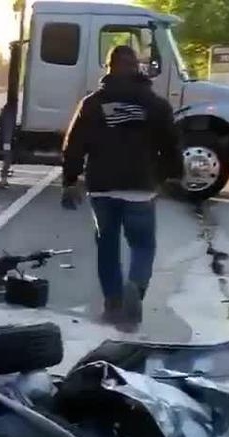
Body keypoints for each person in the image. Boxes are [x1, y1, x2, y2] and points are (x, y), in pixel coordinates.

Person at [61, 45, 182, 332]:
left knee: (107, 244)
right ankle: (136, 286)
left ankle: (113, 301)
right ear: (136, 68)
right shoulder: (156, 104)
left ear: (108, 68)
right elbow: (171, 145)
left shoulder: (91, 103)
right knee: (142, 244)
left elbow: (74, 145)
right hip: (140, 186)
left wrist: (70, 180)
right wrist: (169, 177)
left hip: (101, 187)